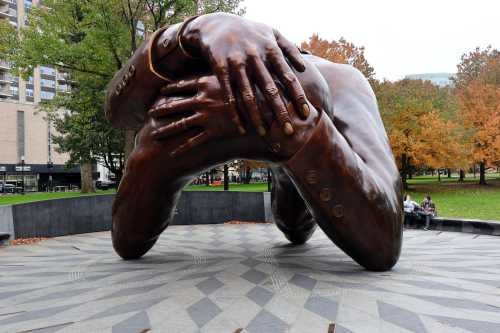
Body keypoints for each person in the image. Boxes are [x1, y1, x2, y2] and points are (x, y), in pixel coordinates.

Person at [105, 13, 403, 271]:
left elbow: (384, 240)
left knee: (293, 223)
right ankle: (287, 161)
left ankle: (287, 163)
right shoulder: (187, 72)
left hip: (308, 107)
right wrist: (187, 33)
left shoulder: (341, 83)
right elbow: (117, 112)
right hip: (206, 96)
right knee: (293, 224)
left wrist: (289, 125)